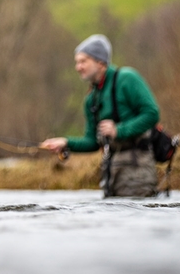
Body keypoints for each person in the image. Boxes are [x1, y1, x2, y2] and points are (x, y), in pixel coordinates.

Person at [40, 34, 161, 197]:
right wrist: (65, 142)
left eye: (83, 61)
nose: (78, 67)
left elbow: (152, 113)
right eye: (77, 62)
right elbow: (92, 141)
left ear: (100, 62)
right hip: (111, 170)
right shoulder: (91, 99)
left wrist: (119, 130)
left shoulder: (127, 78)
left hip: (138, 167)